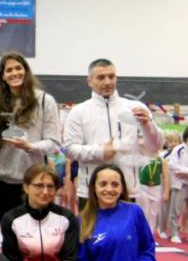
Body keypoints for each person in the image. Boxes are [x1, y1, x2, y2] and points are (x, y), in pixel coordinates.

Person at [63, 58, 163, 206]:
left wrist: (148, 125)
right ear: (89, 81)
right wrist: (100, 152)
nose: (108, 82)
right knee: (91, 223)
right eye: (101, 77)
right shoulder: (79, 112)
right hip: (91, 191)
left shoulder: (135, 108)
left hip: (127, 190)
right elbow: (69, 149)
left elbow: (155, 147)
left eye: (111, 76)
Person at [0, 52, 61, 219]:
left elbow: (54, 142)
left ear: (26, 71)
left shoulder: (45, 101)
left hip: (35, 182)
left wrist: (30, 147)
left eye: (18, 68)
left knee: (35, 231)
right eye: (9, 70)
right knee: (5, 232)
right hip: (1, 183)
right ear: (3, 76)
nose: (14, 73)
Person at [136, 150, 169, 241]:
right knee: (144, 212)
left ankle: (150, 236)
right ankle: (141, 236)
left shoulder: (161, 160)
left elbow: (166, 177)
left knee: (154, 213)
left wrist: (166, 192)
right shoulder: (140, 158)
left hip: (156, 188)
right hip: (143, 188)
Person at [164, 128, 188, 243]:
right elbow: (172, 165)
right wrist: (184, 171)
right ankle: (174, 233)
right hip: (180, 183)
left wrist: (185, 172)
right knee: (176, 209)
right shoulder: (179, 149)